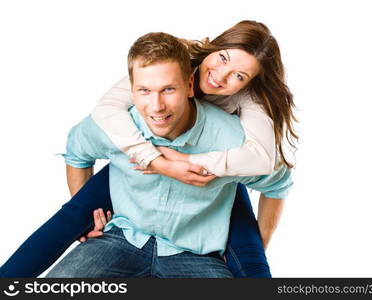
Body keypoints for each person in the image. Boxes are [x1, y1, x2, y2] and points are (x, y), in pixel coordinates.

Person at [0, 20, 297, 277]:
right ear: (213, 49)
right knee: (69, 220)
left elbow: (265, 164)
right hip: (139, 165)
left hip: (215, 175)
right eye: (222, 58)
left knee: (252, 262)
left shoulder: (248, 106)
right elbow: (104, 112)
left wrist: (195, 162)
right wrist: (157, 161)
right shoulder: (166, 69)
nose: (221, 75)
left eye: (239, 75)